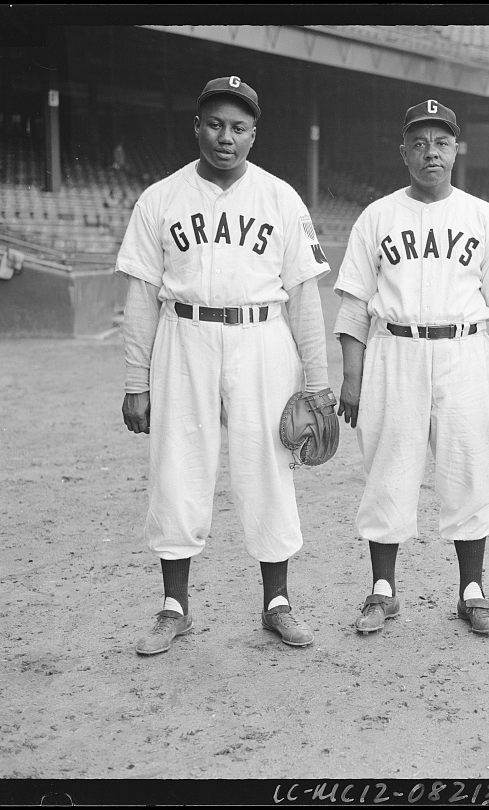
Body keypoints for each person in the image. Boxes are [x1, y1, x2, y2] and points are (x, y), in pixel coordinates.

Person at [116, 76, 332, 655]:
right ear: (197, 127)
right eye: (215, 124)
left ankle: (277, 604)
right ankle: (174, 608)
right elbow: (140, 296)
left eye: (238, 127)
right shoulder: (160, 198)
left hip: (262, 336)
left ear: (254, 134)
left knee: (268, 465)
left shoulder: (281, 197)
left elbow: (305, 298)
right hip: (182, 335)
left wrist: (319, 384)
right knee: (178, 464)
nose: (225, 137)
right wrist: (137, 381)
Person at [333, 99, 489, 636]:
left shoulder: (482, 216)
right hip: (393, 351)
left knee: (470, 468)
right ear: (403, 152)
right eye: (419, 143)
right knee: (388, 469)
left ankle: (472, 591)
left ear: (454, 150)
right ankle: (382, 591)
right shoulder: (376, 216)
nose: (430, 152)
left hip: (466, 353)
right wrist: (351, 377)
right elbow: (353, 304)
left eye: (441, 143)